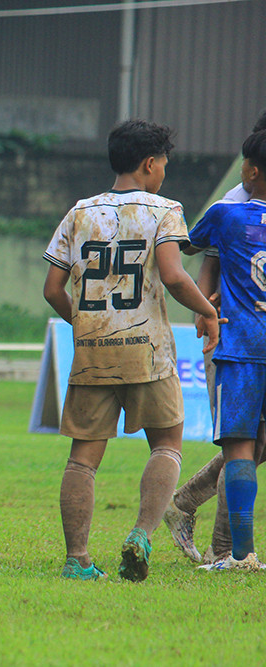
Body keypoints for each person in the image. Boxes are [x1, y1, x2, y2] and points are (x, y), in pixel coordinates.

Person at [42, 119, 220, 582]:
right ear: (149, 163)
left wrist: (83, 322)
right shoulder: (165, 209)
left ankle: (77, 560)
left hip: (94, 349)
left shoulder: (78, 212)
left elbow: (52, 287)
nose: (164, 172)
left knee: (83, 457)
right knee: (167, 444)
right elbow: (175, 275)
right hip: (148, 351)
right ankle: (141, 534)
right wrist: (208, 312)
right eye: (163, 163)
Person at [163, 109, 266, 565]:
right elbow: (206, 258)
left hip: (244, 342)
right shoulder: (231, 202)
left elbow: (190, 242)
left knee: (246, 442)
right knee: (241, 441)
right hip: (228, 334)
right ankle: (227, 549)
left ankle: (184, 503)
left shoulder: (227, 211)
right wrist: (203, 311)